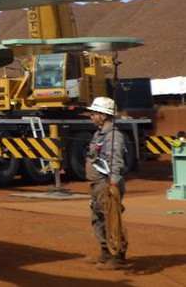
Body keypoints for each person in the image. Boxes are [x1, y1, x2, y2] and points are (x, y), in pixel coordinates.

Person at [85, 96, 129, 270]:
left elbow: (115, 162)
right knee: (98, 219)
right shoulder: (100, 134)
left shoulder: (113, 137)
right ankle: (105, 253)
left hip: (107, 184)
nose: (91, 116)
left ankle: (118, 256)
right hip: (98, 185)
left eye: (94, 113)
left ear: (103, 116)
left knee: (112, 220)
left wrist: (113, 184)